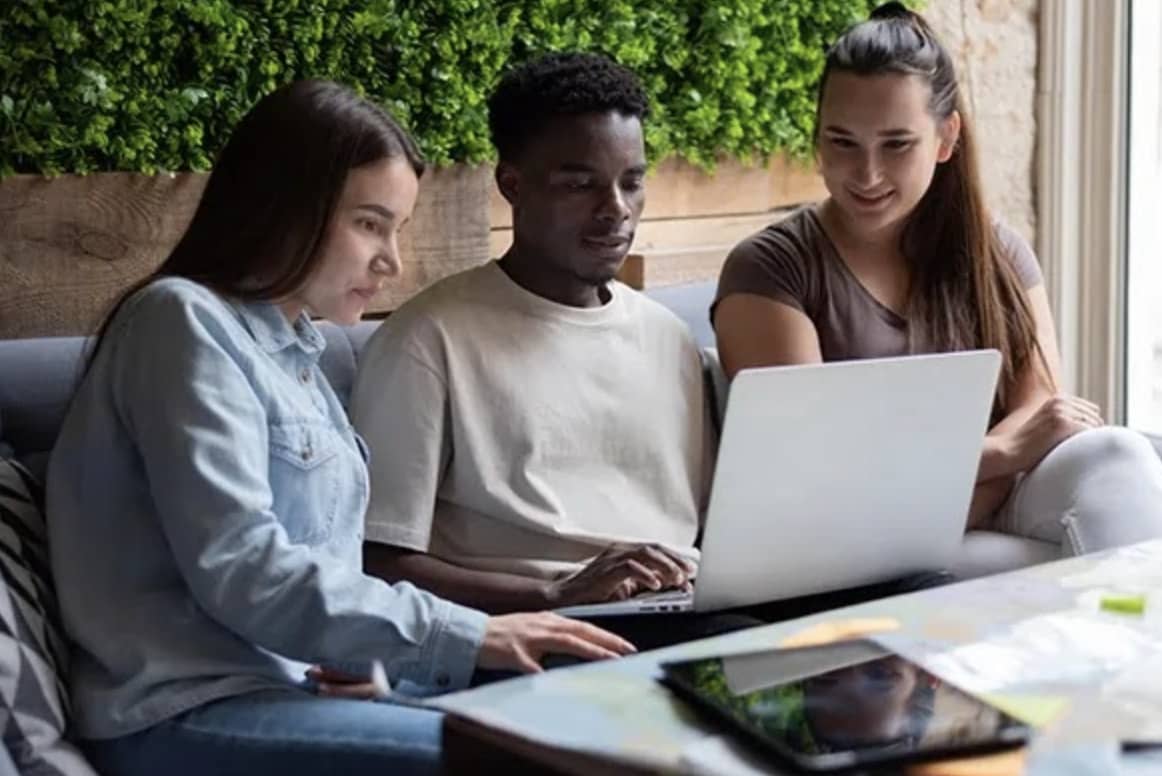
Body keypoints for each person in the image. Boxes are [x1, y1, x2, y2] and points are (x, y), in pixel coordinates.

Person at [45, 79, 633, 776]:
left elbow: (320, 573)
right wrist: (467, 634)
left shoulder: (300, 352)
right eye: (369, 224)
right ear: (285, 207)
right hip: (184, 710)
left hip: (295, 689)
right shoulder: (181, 323)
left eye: (398, 229)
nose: (392, 261)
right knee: (529, 760)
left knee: (609, 711)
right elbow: (244, 570)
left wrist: (374, 667)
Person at [712, 2, 1162, 565]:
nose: (867, 174)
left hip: (978, 498)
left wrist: (983, 470)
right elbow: (820, 470)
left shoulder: (996, 251)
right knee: (1059, 566)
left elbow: (1042, 408)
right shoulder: (770, 269)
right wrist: (998, 451)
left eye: (897, 144)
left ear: (946, 138)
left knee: (1119, 455)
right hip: (854, 540)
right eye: (842, 142)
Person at [349, 52, 751, 649]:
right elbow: (376, 562)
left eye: (632, 182)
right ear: (513, 185)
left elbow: (715, 529)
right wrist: (555, 596)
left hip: (685, 610)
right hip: (540, 631)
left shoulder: (669, 338)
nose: (615, 208)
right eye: (579, 184)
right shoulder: (429, 340)